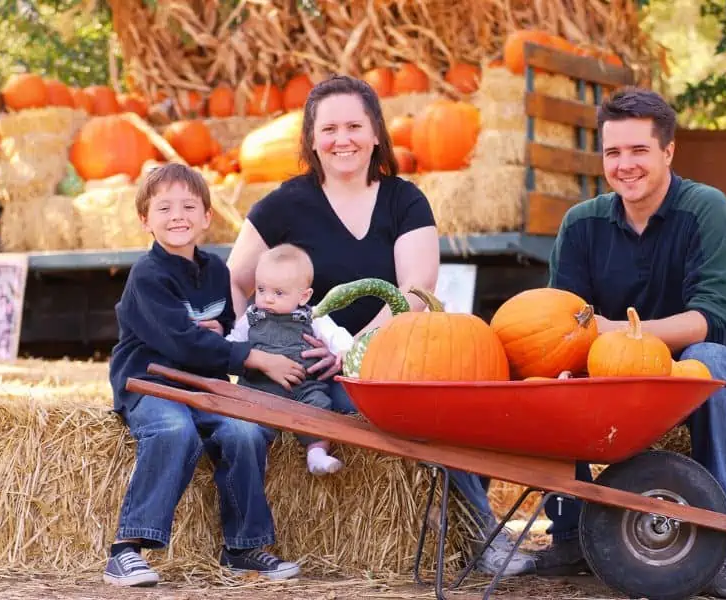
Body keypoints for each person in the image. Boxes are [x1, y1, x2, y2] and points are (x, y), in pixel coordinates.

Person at [225, 74, 536, 577]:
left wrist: (354, 348)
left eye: (354, 126)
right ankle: (244, 545)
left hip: (379, 364)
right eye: (328, 129)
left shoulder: (404, 200)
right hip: (292, 370)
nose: (341, 139)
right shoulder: (283, 205)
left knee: (441, 410)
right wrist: (251, 350)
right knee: (239, 431)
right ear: (311, 139)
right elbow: (235, 282)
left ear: (375, 134)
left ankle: (483, 538)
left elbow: (416, 290)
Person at [538, 87, 726, 600]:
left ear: (668, 152)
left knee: (707, 362)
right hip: (619, 378)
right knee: (552, 371)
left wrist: (613, 330)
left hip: (710, 376)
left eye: (639, 150)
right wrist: (574, 354)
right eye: (613, 152)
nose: (625, 165)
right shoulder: (582, 223)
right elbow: (555, 325)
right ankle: (570, 533)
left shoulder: (704, 208)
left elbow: (709, 319)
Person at [104, 163, 303, 587]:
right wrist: (253, 357)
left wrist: (220, 339)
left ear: (207, 217)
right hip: (150, 384)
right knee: (176, 432)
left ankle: (243, 548)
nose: (178, 216)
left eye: (189, 206)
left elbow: (221, 331)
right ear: (145, 220)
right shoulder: (148, 276)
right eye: (165, 208)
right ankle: (127, 549)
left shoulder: (217, 272)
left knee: (244, 433)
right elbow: (182, 343)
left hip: (202, 384)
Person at [225, 243, 354, 475]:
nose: (268, 299)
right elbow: (233, 343)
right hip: (259, 388)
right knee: (246, 415)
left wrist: (343, 351)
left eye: (279, 293)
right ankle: (257, 455)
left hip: (303, 387)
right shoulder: (251, 318)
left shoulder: (313, 317)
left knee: (320, 407)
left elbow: (339, 337)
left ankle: (316, 454)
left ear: (304, 296)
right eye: (261, 289)